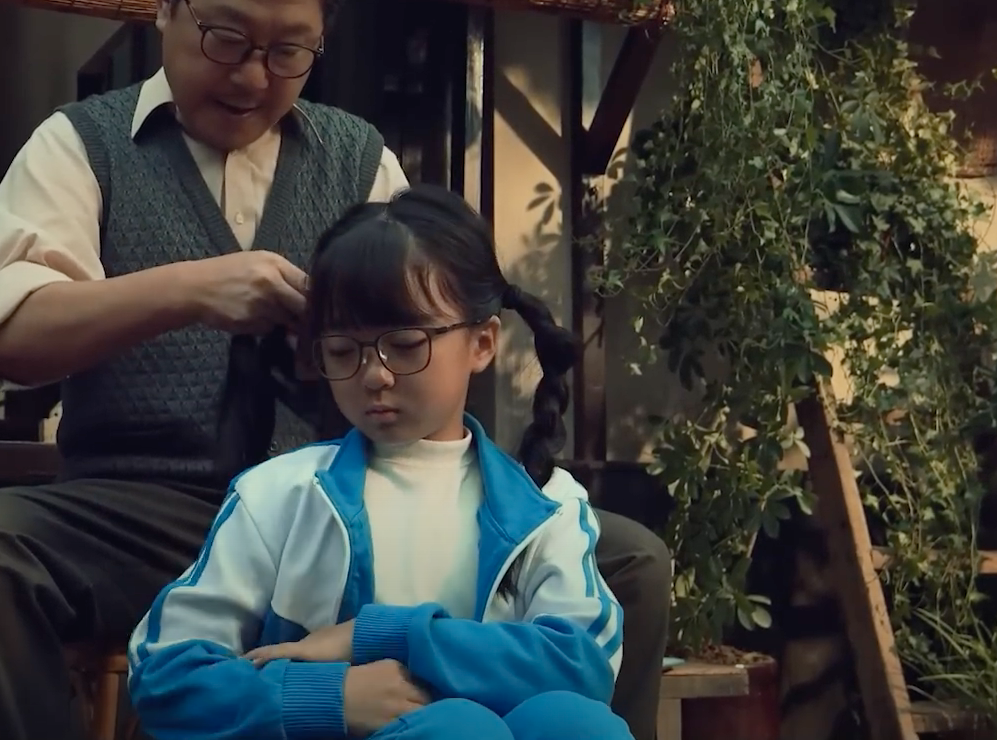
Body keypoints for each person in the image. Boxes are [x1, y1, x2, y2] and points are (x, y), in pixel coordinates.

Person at [0, 0, 670, 737]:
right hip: (141, 512)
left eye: (289, 50)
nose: (252, 75)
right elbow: (11, 338)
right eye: (226, 38)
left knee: (628, 564)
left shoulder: (358, 158)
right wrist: (193, 289)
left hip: (338, 504)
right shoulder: (79, 146)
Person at [127, 185, 632, 740]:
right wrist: (330, 696)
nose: (375, 375)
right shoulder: (280, 495)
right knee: (458, 730)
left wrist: (384, 637)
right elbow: (165, 673)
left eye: (406, 344)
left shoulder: (547, 504)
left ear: (483, 343)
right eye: (344, 351)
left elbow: (585, 664)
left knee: (575, 722)